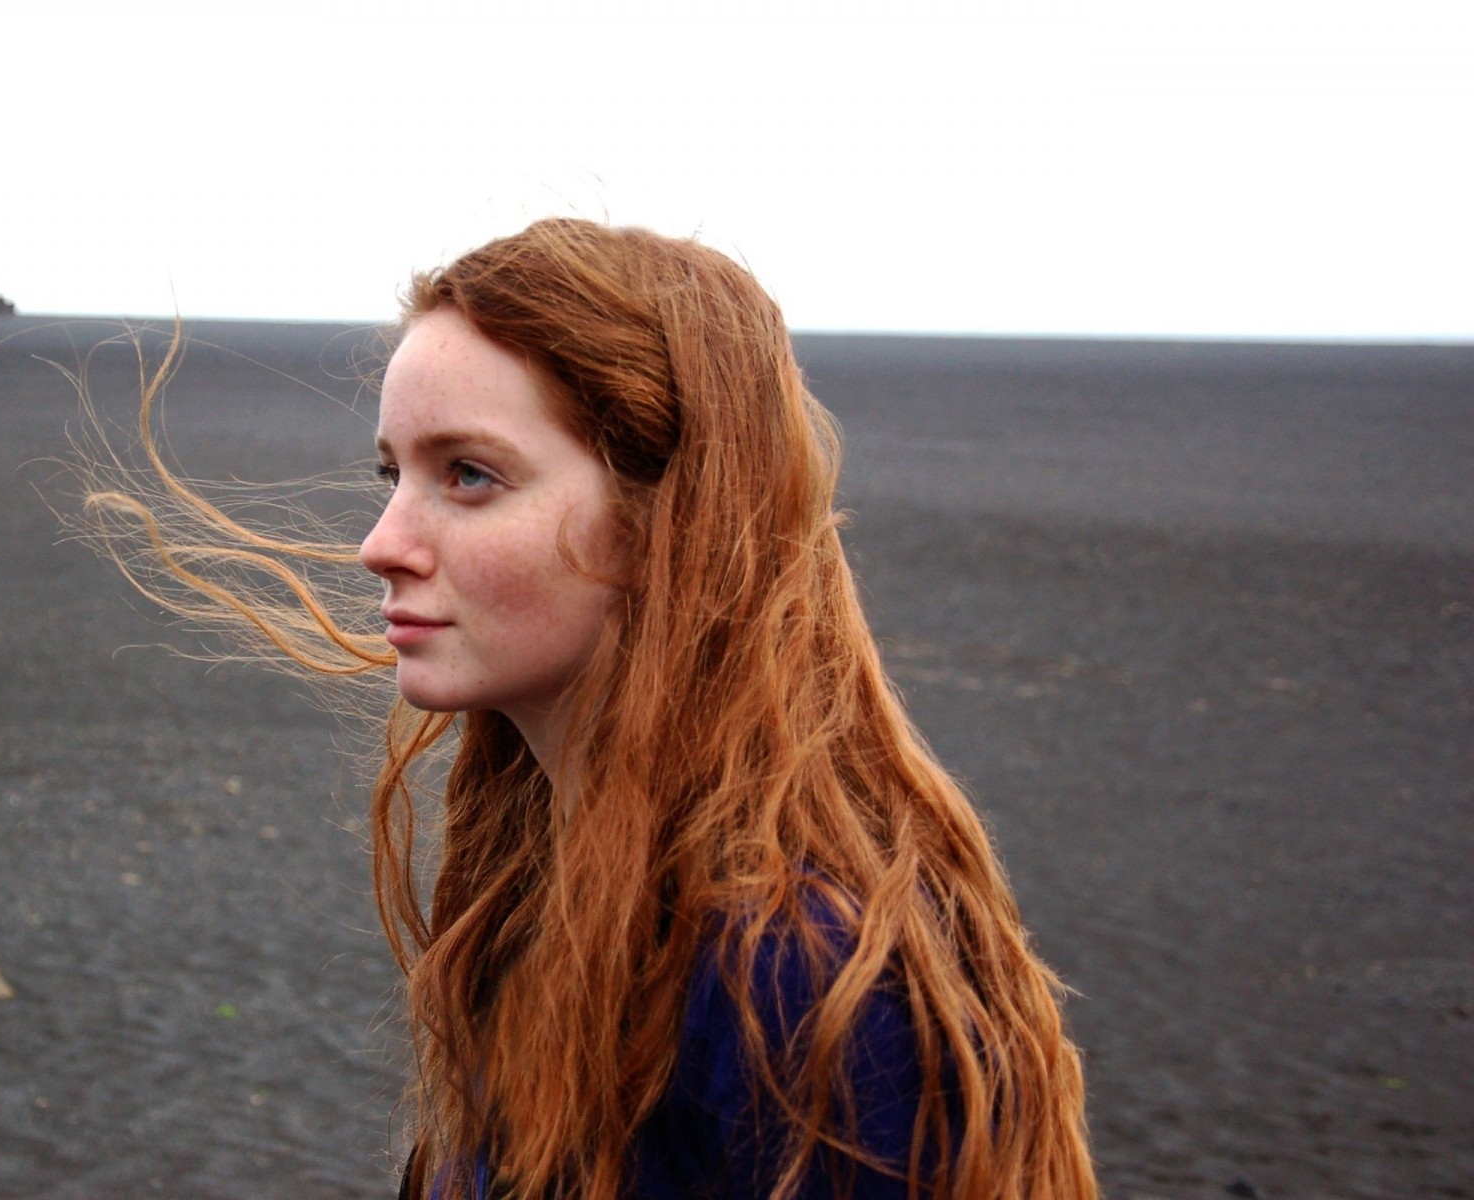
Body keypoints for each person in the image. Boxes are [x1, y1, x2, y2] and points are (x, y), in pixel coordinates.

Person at [83, 219, 1097, 1199]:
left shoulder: (800, 975)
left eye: (468, 475)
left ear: (666, 516)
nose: (381, 542)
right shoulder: (529, 892)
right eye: (393, 474)